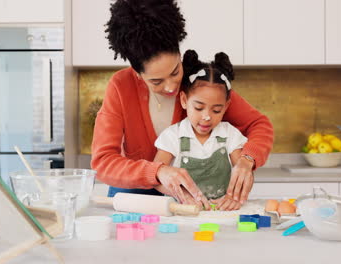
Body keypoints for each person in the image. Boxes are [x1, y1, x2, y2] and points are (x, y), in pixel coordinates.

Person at [91, 0, 274, 210]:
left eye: (175, 71)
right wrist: (158, 171)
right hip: (134, 195)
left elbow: (260, 125)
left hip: (189, 198)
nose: (171, 87)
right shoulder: (121, 86)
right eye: (156, 82)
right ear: (137, 73)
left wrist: (247, 159)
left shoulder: (198, 83)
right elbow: (103, 162)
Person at [153, 50, 248, 210]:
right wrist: (182, 194)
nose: (206, 117)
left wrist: (235, 197)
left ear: (226, 106)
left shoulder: (229, 135)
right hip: (182, 212)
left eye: (216, 110)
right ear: (184, 100)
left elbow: (243, 176)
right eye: (198, 108)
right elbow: (155, 178)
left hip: (220, 213)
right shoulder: (172, 136)